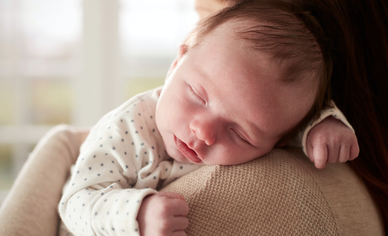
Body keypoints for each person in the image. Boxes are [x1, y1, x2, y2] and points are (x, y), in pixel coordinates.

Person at [58, 1, 360, 236]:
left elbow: (286, 126)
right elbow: (75, 202)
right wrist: (135, 215)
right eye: (198, 96)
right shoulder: (128, 130)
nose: (203, 132)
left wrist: (322, 125)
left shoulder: (272, 124)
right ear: (176, 63)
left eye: (239, 134)